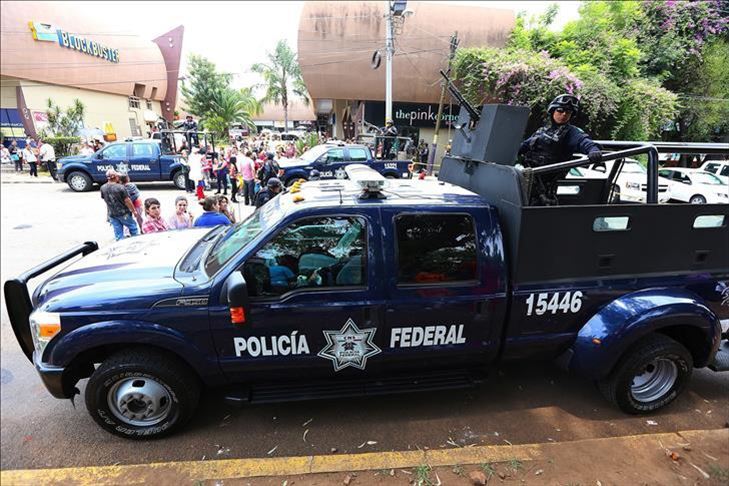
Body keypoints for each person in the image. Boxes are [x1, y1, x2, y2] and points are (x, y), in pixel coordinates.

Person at [518, 94, 602, 206]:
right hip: (527, 178)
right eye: (560, 110)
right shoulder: (542, 131)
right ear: (553, 111)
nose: (564, 114)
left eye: (568, 112)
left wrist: (594, 151)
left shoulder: (571, 132)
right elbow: (523, 146)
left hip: (545, 186)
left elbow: (585, 142)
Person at [101, 169, 142, 240]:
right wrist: (134, 211)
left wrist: (108, 215)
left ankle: (120, 244)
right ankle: (136, 241)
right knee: (133, 227)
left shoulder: (103, 187)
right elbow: (127, 201)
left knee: (118, 232)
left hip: (112, 214)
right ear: (115, 177)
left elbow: (106, 201)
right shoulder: (120, 187)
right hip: (124, 213)